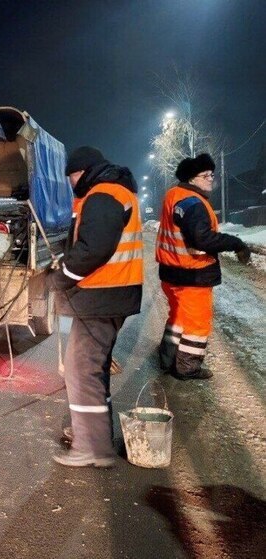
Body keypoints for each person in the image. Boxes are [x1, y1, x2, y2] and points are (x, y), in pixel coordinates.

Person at [47, 146, 143, 468]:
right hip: (109, 295)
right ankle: (91, 433)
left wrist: (61, 276)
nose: (71, 182)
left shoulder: (103, 194)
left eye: (72, 175)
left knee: (80, 368)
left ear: (83, 171)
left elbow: (95, 248)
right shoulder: (114, 190)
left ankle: (92, 446)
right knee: (93, 367)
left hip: (103, 295)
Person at [156, 153, 251, 380]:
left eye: (212, 174)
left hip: (172, 273)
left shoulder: (174, 195)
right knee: (197, 325)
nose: (210, 179)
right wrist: (236, 243)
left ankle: (167, 358)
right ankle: (187, 368)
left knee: (178, 319)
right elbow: (203, 239)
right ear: (192, 178)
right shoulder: (193, 203)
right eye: (205, 175)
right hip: (193, 274)